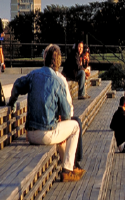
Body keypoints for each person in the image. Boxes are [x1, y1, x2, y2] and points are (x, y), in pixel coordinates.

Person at [7, 44, 83, 182]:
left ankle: (70, 166)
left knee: (61, 131)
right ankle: (67, 169)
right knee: (75, 126)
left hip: (30, 134)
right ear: (59, 62)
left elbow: (17, 85)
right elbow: (66, 114)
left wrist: (11, 103)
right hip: (46, 134)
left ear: (45, 59)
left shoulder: (33, 75)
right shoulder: (58, 81)